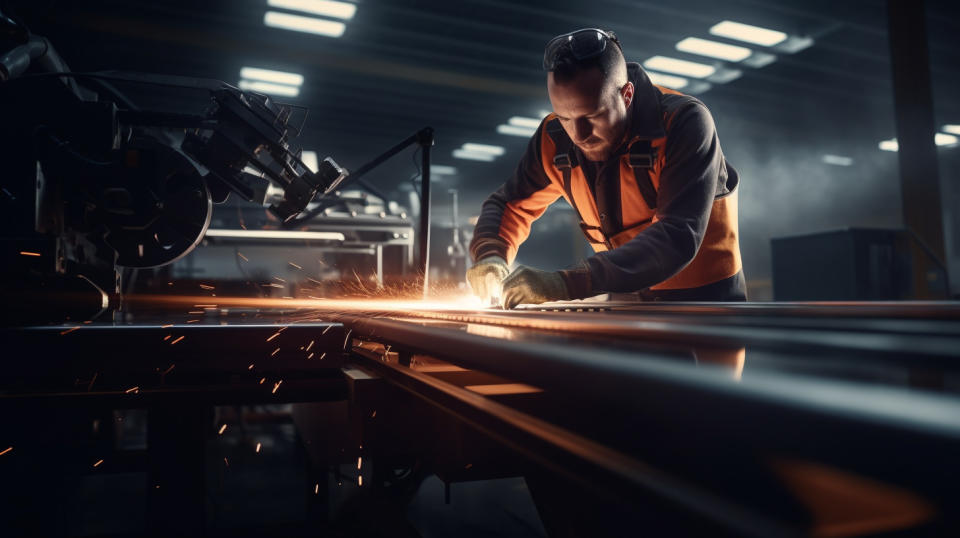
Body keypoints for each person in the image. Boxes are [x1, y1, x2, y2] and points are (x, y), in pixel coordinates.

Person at [467, 28, 745, 309]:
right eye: (564, 117)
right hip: (624, 299)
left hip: (706, 304)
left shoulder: (683, 123)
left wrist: (567, 282)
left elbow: (676, 236)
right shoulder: (555, 139)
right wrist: (491, 255)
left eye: (593, 115)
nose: (579, 134)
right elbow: (508, 205)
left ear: (626, 95)